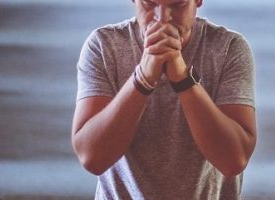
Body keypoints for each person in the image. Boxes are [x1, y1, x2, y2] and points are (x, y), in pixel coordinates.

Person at [71, 0, 257, 199]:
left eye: (178, 5)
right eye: (149, 4)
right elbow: (93, 158)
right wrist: (142, 79)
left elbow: (233, 161)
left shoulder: (228, 48)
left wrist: (183, 80)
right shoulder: (104, 46)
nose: (162, 18)